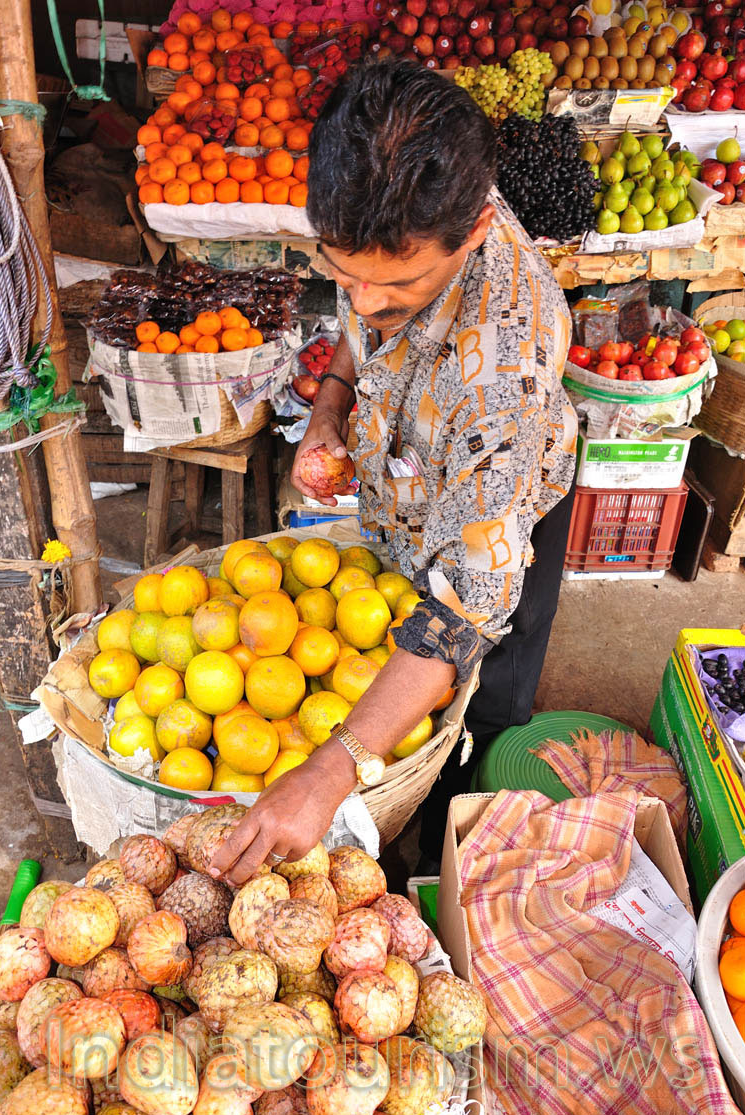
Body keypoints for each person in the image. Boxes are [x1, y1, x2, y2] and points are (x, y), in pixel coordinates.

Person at [210, 59, 577, 885]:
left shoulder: (504, 370)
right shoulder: (385, 217)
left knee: (476, 710)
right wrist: (331, 409)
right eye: (346, 275)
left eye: (401, 287)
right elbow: (360, 320)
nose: (367, 304)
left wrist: (329, 769)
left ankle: (427, 856)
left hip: (501, 516)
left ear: (476, 231)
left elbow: (463, 608)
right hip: (410, 478)